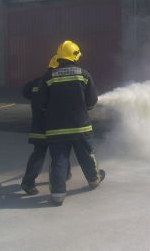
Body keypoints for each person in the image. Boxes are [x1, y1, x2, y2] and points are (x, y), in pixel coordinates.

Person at [37, 40, 105, 206]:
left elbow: (41, 103)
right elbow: (92, 101)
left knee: (59, 160)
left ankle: (58, 194)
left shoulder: (48, 77)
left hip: (56, 129)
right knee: (87, 155)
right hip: (81, 126)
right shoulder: (83, 74)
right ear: (74, 55)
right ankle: (94, 180)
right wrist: (84, 107)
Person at [21, 55, 71, 195]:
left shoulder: (36, 82)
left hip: (38, 127)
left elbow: (25, 91)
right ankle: (65, 175)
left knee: (38, 154)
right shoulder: (58, 83)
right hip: (56, 127)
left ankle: (28, 182)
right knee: (61, 153)